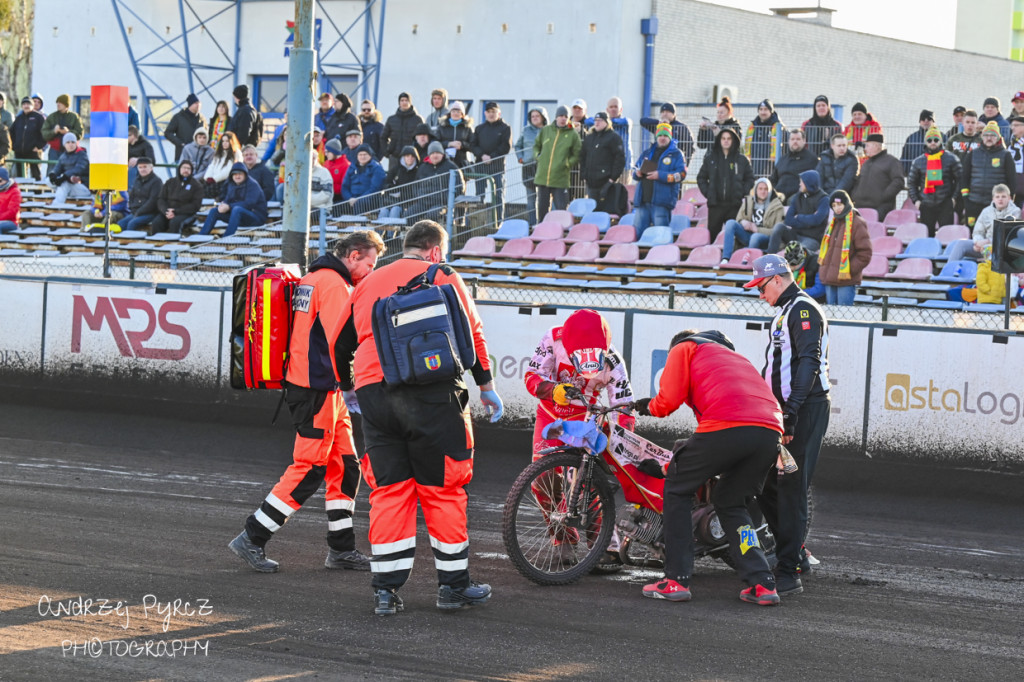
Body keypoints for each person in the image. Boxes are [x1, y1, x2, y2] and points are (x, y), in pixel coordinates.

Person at [335, 220, 504, 616]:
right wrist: (486, 384)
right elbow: (472, 334)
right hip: (432, 394)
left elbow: (339, 342)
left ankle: (385, 592)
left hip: (376, 394)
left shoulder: (368, 283)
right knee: (443, 487)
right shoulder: (442, 274)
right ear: (434, 251)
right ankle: (453, 588)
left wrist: (349, 388)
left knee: (390, 491)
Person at [229, 231, 385, 574]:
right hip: (317, 389)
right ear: (354, 255)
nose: (371, 273)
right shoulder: (334, 285)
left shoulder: (313, 277)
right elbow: (341, 340)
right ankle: (252, 536)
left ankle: (341, 550)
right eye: (370, 264)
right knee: (309, 468)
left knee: (345, 467)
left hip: (321, 389)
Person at [633, 329, 783, 606]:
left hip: (728, 424)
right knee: (731, 502)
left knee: (678, 489)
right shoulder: (739, 360)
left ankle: (676, 579)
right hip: (770, 431)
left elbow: (667, 402)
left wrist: (649, 407)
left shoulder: (685, 347)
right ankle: (762, 582)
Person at [744, 254, 831, 597]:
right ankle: (791, 554)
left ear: (777, 280)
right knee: (766, 481)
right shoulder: (787, 309)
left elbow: (809, 360)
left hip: (804, 409)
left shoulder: (802, 309)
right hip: (789, 409)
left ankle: (789, 570)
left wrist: (792, 409)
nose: (760, 295)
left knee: (791, 487)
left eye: (761, 287)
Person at [523, 308, 635, 573]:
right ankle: (563, 537)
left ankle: (604, 543)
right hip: (551, 417)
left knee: (585, 481)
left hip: (588, 420)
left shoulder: (613, 358)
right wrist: (553, 390)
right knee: (543, 481)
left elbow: (625, 405)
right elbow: (530, 377)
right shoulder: (551, 339)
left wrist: (622, 436)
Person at [696, 127, 754, 242]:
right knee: (713, 237)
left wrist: (741, 192)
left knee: (735, 237)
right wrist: (709, 193)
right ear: (719, 140)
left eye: (729, 138)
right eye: (723, 138)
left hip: (734, 205)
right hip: (715, 205)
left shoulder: (742, 160)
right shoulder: (710, 159)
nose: (726, 141)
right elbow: (701, 178)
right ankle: (714, 259)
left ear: (733, 141)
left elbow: (750, 178)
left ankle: (733, 259)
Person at [817, 190, 872, 305]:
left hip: (846, 281)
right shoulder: (832, 223)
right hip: (829, 280)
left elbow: (865, 254)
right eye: (834, 205)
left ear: (847, 203)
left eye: (839, 204)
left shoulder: (857, 223)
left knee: (843, 318)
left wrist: (848, 270)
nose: (837, 208)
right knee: (831, 317)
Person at [632, 122, 685, 236]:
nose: (662, 138)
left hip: (661, 202)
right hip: (643, 201)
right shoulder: (647, 152)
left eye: (665, 136)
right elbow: (635, 169)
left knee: (660, 237)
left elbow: (681, 175)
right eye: (660, 135)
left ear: (670, 137)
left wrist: (660, 175)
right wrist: (637, 173)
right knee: (638, 236)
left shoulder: (676, 154)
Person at [907, 127, 962, 236]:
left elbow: (960, 180)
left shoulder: (951, 159)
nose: (933, 143)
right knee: (927, 235)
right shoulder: (918, 161)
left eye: (936, 140)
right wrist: (916, 200)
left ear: (940, 141)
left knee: (946, 235)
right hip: (926, 203)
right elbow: (911, 183)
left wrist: (954, 198)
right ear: (925, 142)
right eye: (929, 140)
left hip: (945, 202)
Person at [961, 122, 1015, 226]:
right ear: (982, 136)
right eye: (986, 135)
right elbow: (964, 178)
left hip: (996, 204)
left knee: (994, 234)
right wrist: (966, 199)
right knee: (973, 232)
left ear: (998, 137)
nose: (989, 138)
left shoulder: (1006, 155)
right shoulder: (973, 153)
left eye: (992, 135)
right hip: (973, 202)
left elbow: (1011, 181)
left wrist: (1007, 200)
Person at [533, 106, 581, 222]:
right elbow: (536, 146)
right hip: (543, 177)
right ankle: (542, 229)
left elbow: (578, 153)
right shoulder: (546, 130)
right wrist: (538, 156)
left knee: (561, 208)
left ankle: (561, 231)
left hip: (560, 178)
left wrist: (567, 163)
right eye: (561, 116)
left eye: (566, 116)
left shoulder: (573, 134)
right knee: (542, 208)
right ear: (556, 117)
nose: (563, 119)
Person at [721, 177, 785, 263]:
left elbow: (777, 231)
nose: (763, 191)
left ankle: (747, 262)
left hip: (766, 239)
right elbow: (739, 219)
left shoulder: (777, 206)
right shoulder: (748, 202)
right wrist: (742, 222)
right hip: (748, 235)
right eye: (760, 188)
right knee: (730, 223)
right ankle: (726, 258)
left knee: (755, 236)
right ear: (755, 190)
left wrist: (757, 230)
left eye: (766, 189)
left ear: (770, 191)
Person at [766, 170, 829, 254]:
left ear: (808, 183)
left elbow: (817, 220)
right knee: (779, 227)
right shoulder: (797, 196)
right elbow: (788, 220)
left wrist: (799, 217)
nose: (799, 184)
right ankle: (770, 256)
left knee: (798, 252)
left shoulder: (823, 199)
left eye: (802, 182)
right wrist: (810, 222)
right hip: (795, 235)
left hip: (812, 239)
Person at [199, 162, 268, 236]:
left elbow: (249, 203)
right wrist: (223, 206)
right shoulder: (231, 184)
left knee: (237, 209)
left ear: (245, 174)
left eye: (240, 174)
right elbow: (227, 199)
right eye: (235, 174)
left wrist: (229, 207)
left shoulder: (253, 185)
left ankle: (227, 237)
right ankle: (202, 236)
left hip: (256, 217)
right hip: (238, 217)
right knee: (214, 211)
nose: (237, 176)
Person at [470, 101, 511, 220]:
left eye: (493, 111)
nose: (491, 114)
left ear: (499, 113)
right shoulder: (479, 128)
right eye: (489, 112)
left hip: (497, 167)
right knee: (479, 196)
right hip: (481, 166)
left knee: (498, 195)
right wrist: (482, 155)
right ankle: (477, 222)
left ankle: (498, 223)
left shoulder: (505, 128)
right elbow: (473, 145)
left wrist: (492, 157)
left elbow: (506, 146)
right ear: (485, 113)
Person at [851, 133, 904, 220]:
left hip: (880, 208)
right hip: (860, 206)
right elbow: (859, 181)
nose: (865, 149)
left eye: (867, 146)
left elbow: (898, 181)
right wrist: (855, 195)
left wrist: (883, 196)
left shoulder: (891, 161)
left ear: (876, 146)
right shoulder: (866, 163)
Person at [148, 159, 205, 235]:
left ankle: (174, 245)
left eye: (188, 169)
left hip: (186, 213)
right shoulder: (170, 182)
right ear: (179, 169)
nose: (186, 170)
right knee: (156, 222)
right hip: (168, 211)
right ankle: (157, 243)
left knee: (175, 223)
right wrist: (166, 211)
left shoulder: (197, 185)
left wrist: (176, 211)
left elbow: (195, 205)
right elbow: (161, 199)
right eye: (184, 168)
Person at [580, 111, 626, 204]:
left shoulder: (613, 138)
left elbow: (620, 159)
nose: (597, 123)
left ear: (607, 122)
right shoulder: (589, 138)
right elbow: (582, 157)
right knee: (592, 210)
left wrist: (612, 179)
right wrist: (584, 174)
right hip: (591, 183)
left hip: (606, 183)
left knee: (604, 211)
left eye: (600, 120)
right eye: (595, 120)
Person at [414, 141, 463, 224]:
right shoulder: (423, 168)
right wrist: (419, 196)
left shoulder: (451, 167)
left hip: (441, 203)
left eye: (437, 152)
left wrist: (446, 198)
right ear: (429, 155)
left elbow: (459, 187)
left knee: (432, 215)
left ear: (442, 154)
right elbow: (415, 185)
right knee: (409, 214)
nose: (435, 155)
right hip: (424, 202)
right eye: (432, 153)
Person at [514, 107, 547, 225]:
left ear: (543, 117)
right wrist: (520, 157)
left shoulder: (548, 130)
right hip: (528, 166)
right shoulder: (526, 130)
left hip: (544, 167)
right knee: (531, 198)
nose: (535, 118)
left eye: (537, 116)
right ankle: (532, 223)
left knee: (543, 197)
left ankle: (544, 223)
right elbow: (517, 146)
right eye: (532, 116)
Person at [770, 128, 819, 204]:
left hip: (799, 197)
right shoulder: (783, 159)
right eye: (792, 139)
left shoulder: (811, 159)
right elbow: (773, 179)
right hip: (779, 195)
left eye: (798, 139)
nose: (795, 141)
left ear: (804, 141)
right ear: (789, 141)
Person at [744, 99, 786, 177]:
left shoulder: (778, 126)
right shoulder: (753, 125)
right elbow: (747, 143)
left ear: (771, 111)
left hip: (771, 165)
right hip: (754, 163)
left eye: (766, 109)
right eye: (761, 109)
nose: (763, 112)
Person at [120, 157, 163, 232]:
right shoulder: (137, 180)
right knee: (120, 224)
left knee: (132, 224)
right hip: (136, 212)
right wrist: (132, 207)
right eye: (140, 167)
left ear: (151, 168)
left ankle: (131, 241)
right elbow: (132, 196)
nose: (142, 169)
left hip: (150, 213)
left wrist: (139, 211)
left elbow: (153, 201)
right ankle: (120, 242)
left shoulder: (157, 181)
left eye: (145, 167)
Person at [382, 92, 423, 168]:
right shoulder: (391, 119)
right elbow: (383, 137)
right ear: (399, 103)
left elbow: (422, 137)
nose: (404, 102)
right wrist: (387, 152)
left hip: (412, 157)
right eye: (402, 100)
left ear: (410, 102)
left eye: (406, 100)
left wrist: (418, 152)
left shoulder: (417, 120)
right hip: (395, 156)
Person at [341, 144, 386, 214]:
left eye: (365, 154)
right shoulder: (352, 167)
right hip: (352, 199)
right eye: (360, 155)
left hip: (369, 200)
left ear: (370, 155)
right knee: (337, 207)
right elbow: (345, 186)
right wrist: (349, 198)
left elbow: (375, 188)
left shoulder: (376, 168)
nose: (362, 157)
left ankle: (358, 223)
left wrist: (358, 200)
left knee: (359, 205)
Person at [49, 133, 91, 205]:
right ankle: (59, 199)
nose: (70, 144)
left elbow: (78, 169)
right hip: (71, 188)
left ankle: (56, 205)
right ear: (64, 144)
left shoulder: (82, 155)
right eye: (68, 142)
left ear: (76, 143)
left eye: (73, 142)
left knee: (65, 183)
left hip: (84, 188)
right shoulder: (63, 156)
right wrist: (53, 174)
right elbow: (57, 168)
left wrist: (64, 177)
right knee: (48, 180)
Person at [42, 94, 84, 164]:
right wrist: (54, 131)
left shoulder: (74, 117)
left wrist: (68, 132)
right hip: (54, 151)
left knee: (69, 172)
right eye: (57, 102)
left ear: (66, 105)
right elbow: (44, 134)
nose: (58, 104)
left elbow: (80, 134)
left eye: (60, 103)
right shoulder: (52, 117)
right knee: (52, 172)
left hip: (70, 151)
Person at [11, 96, 45, 180]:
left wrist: (38, 146)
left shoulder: (38, 117)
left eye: (28, 104)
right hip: (19, 151)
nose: (26, 106)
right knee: (20, 175)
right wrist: (14, 146)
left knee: (35, 174)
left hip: (32, 151)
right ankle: (21, 192)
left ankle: (38, 192)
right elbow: (12, 133)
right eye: (24, 104)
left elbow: (45, 134)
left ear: (32, 106)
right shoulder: (18, 118)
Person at [164, 93, 206, 161]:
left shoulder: (202, 119)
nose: (198, 105)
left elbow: (206, 134)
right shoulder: (178, 117)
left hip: (198, 155)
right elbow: (168, 133)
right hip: (182, 155)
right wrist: (181, 143)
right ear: (190, 104)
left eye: (199, 103)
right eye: (195, 103)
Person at [381, 145, 419, 219]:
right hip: (390, 200)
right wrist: (392, 188)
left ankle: (391, 231)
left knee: (394, 211)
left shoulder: (417, 172)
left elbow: (415, 188)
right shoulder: (395, 169)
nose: (410, 158)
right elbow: (385, 184)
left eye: (412, 156)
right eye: (407, 156)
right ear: (403, 157)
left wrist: (402, 193)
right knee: (383, 212)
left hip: (405, 203)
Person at [202, 130, 243, 198]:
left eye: (227, 141)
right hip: (213, 180)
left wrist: (214, 179)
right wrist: (207, 177)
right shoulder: (219, 153)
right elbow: (212, 166)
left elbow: (229, 170)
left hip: (225, 182)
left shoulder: (236, 153)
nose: (224, 143)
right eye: (223, 141)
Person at [436, 101, 474, 168]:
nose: (455, 113)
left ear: (462, 114)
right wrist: (448, 144)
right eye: (453, 111)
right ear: (450, 113)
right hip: (444, 162)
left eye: (458, 112)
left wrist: (462, 145)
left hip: (462, 163)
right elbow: (436, 143)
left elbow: (473, 145)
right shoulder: (442, 127)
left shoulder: (467, 128)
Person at [899, 110, 938, 174]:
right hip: (915, 176)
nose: (926, 121)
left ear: (933, 122)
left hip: (935, 176)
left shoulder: (941, 137)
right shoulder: (911, 138)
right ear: (920, 121)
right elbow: (904, 158)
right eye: (923, 119)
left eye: (929, 119)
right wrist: (906, 172)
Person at [603, 96, 633, 173]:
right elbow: (588, 121)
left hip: (624, 166)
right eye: (611, 107)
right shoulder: (602, 123)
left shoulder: (626, 122)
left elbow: (625, 121)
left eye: (616, 107)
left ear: (621, 109)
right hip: (608, 166)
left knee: (624, 185)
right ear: (607, 110)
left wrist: (606, 122)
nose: (613, 109)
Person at [126, 125, 155, 189]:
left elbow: (152, 160)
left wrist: (138, 160)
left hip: (139, 170)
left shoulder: (145, 145)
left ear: (133, 136)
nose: (125, 138)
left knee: (132, 169)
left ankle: (129, 191)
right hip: (127, 169)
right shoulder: (126, 145)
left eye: (127, 136)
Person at [324, 139, 351, 205]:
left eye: (328, 152)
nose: (326, 154)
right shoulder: (327, 163)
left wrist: (328, 187)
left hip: (337, 198)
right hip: (325, 194)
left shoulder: (345, 165)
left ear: (334, 152)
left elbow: (344, 186)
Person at [1009, 116, 1024, 206]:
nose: (1013, 128)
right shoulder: (1011, 144)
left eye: (1016, 125)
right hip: (1015, 188)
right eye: (1012, 125)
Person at [0, 167, 21, 233]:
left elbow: (12, 212)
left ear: (6, 179)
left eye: (0, 180)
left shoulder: (14, 191)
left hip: (11, 222)